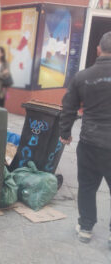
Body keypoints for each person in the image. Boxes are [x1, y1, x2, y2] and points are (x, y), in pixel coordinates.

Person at [59, 32, 111, 245]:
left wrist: (65, 133)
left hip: (90, 142)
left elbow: (68, 107)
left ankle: (86, 228)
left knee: (87, 186)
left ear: (98, 50)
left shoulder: (82, 77)